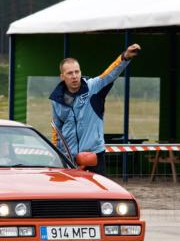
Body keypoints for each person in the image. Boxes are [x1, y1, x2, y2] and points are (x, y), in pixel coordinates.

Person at [50, 44, 141, 175]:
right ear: (62, 76)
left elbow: (110, 74)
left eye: (77, 71)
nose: (74, 76)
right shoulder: (56, 99)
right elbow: (56, 130)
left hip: (93, 157)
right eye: (70, 73)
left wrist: (125, 57)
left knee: (96, 194)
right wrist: (55, 154)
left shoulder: (93, 87)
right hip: (68, 159)